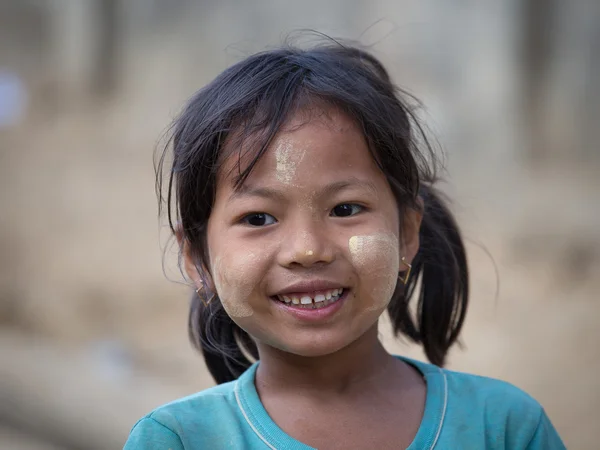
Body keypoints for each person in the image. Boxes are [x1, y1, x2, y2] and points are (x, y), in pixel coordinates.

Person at [124, 43, 565, 449]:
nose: (308, 249)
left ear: (407, 234)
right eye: (258, 218)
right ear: (198, 258)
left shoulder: (503, 428)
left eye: (346, 208)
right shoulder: (178, 440)